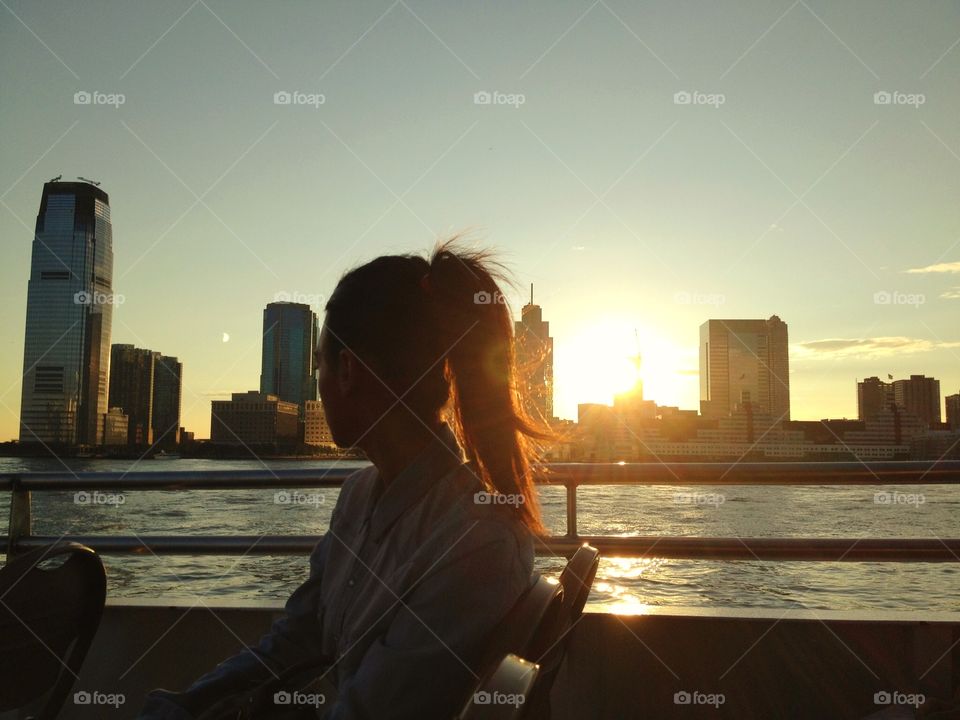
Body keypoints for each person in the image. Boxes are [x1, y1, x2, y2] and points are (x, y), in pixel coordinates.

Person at [139, 239, 555, 719]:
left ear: (349, 370)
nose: (317, 381)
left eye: (319, 364)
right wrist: (187, 706)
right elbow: (298, 638)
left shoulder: (479, 543)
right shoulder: (359, 497)